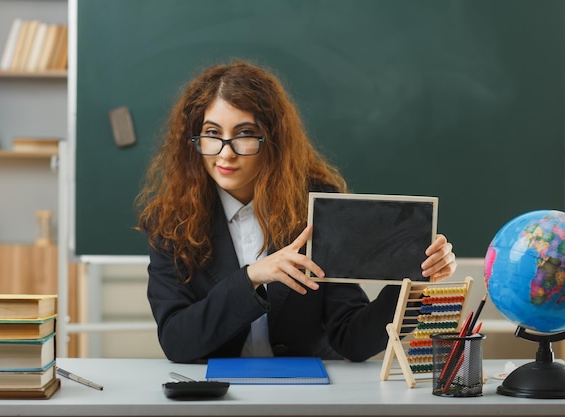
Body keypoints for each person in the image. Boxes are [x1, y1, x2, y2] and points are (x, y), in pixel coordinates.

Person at [135, 60, 457, 364]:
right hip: (219, 397)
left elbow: (353, 340)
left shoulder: (319, 209)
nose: (226, 152)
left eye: (245, 134)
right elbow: (177, 342)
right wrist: (251, 277)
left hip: (306, 398)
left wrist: (414, 283)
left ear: (273, 139)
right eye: (212, 134)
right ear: (195, 139)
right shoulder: (171, 222)